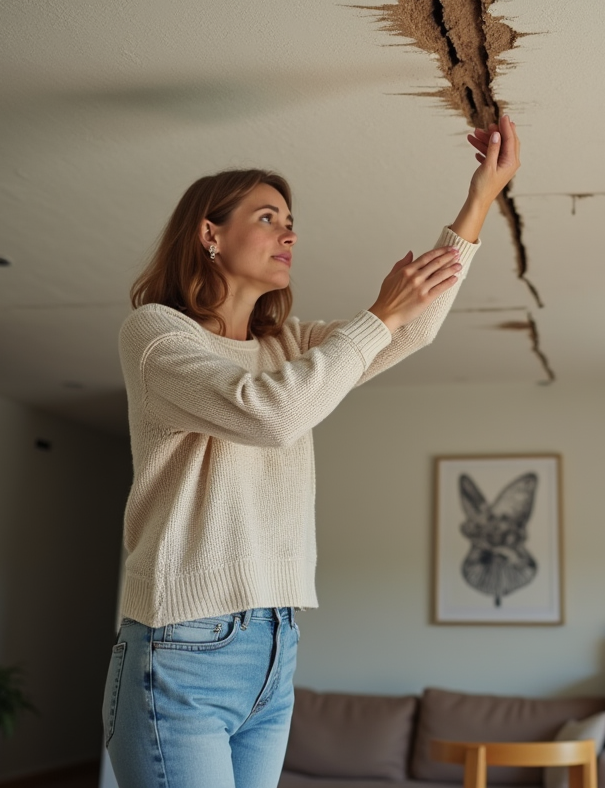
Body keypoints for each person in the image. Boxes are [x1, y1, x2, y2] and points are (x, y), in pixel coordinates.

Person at [102, 115, 521, 788]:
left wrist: (479, 200)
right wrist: (378, 315)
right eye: (268, 217)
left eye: (290, 219)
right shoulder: (156, 336)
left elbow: (415, 331)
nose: (289, 232)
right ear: (209, 234)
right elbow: (271, 413)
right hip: (183, 651)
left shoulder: (289, 345)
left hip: (276, 647)